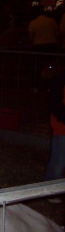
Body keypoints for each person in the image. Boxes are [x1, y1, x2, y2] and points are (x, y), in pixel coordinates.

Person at [43, 60, 65, 203]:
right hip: (62, 126)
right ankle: (50, 191)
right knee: (59, 161)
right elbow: (55, 105)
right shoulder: (60, 79)